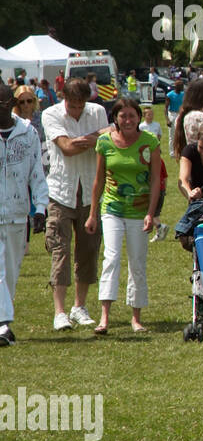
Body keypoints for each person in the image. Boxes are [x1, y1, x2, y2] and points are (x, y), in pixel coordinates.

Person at [84, 98, 160, 334]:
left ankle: (136, 317)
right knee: (112, 258)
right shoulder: (105, 142)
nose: (127, 120)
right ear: (115, 118)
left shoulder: (150, 142)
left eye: (132, 116)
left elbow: (156, 180)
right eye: (122, 116)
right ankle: (104, 317)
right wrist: (92, 214)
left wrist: (151, 213)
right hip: (112, 208)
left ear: (139, 118)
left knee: (137, 261)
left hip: (139, 211)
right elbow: (99, 180)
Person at [43, 78, 110, 331]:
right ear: (64, 98)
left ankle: (79, 306)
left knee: (89, 250)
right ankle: (59, 312)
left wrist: (84, 139)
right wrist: (94, 137)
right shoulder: (51, 114)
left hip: (91, 193)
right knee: (60, 250)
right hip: (60, 191)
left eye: (81, 105)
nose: (77, 110)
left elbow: (106, 142)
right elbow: (67, 148)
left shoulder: (98, 111)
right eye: (72, 106)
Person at [0, 83, 49, 346]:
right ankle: (3, 325)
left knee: (11, 272)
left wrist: (40, 208)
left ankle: (3, 323)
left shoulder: (28, 133)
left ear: (11, 104)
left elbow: (36, 173)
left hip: (19, 213)